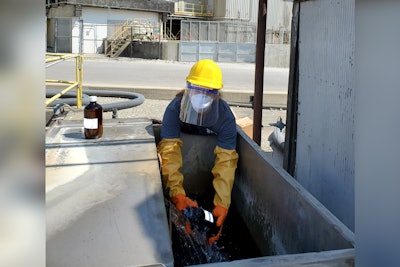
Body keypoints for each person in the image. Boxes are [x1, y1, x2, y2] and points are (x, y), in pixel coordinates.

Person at [157, 59, 239, 245]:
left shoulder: (225, 116)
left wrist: (222, 204)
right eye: (196, 88)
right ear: (188, 87)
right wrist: (177, 194)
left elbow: (226, 162)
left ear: (216, 93)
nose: (201, 95)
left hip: (206, 175)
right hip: (183, 174)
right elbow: (169, 153)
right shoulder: (175, 109)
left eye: (209, 91)